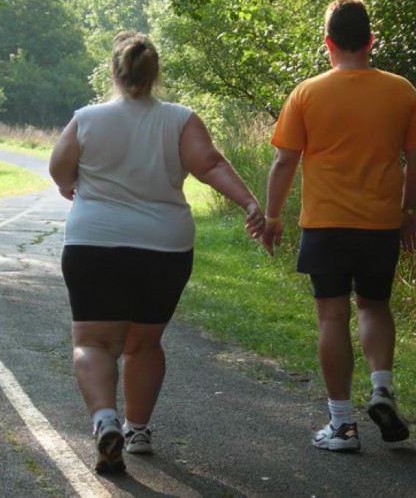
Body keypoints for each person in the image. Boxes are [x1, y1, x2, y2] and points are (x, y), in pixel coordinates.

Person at [49, 31, 265, 474]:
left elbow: (58, 167)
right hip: (164, 248)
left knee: (93, 341)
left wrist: (69, 183)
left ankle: (105, 420)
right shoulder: (180, 119)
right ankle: (138, 430)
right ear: (155, 74)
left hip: (94, 243)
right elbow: (210, 165)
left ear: (114, 71)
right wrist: (249, 203)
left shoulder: (86, 118)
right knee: (144, 342)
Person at [261, 0, 416, 452]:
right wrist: (408, 210)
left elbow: (284, 163)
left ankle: (341, 425)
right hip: (380, 223)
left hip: (326, 225)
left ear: (328, 43)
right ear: (371, 41)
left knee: (332, 316)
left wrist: (273, 216)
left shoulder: (306, 93)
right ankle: (381, 388)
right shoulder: (401, 91)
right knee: (374, 305)